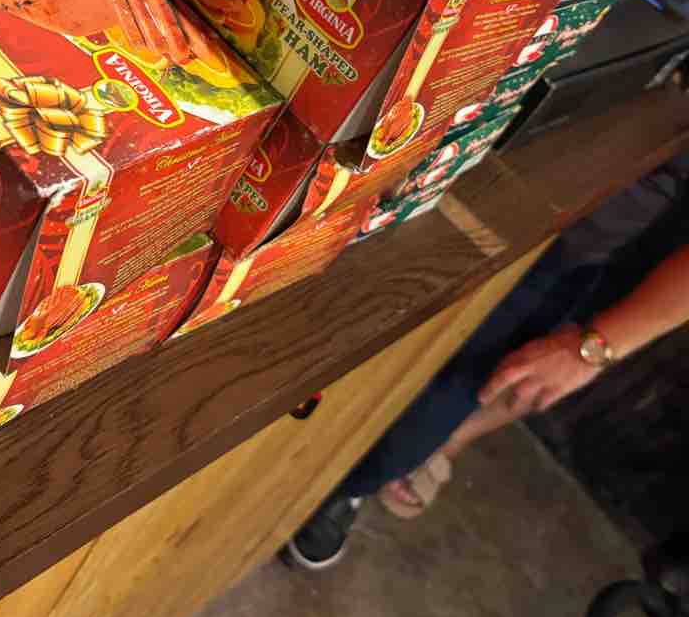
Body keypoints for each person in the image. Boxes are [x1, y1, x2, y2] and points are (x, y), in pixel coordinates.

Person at [284, 154, 689, 570]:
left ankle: (350, 485)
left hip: (574, 238)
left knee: (418, 424)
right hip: (477, 161)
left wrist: (594, 347)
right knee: (326, 337)